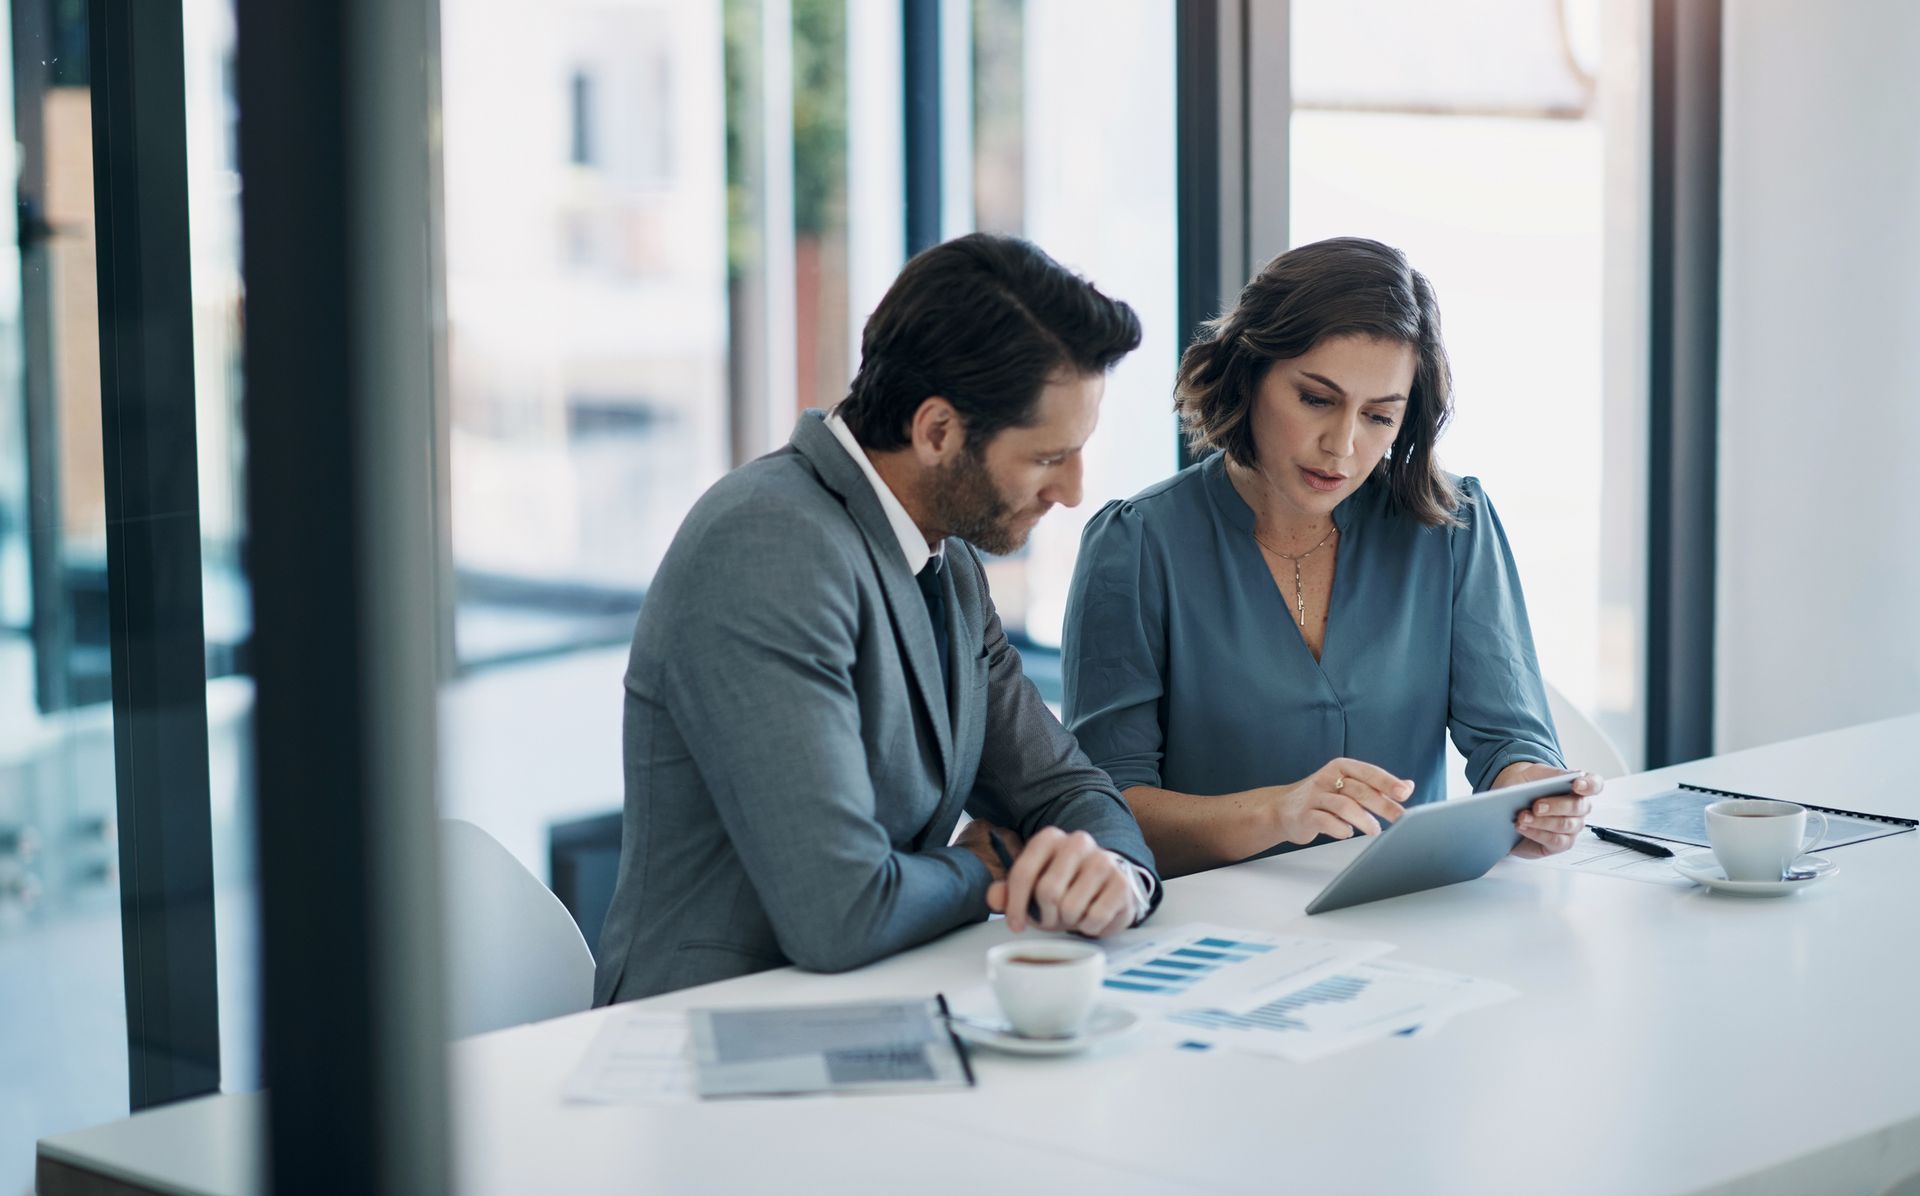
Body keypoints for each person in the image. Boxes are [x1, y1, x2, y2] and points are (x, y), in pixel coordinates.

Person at [594, 234, 1163, 1003]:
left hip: (879, 1011)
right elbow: (842, 910)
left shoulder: (947, 561)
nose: (1073, 491)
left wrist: (1112, 875)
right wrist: (990, 869)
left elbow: (1064, 785)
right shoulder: (766, 544)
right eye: (1046, 458)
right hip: (715, 1038)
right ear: (936, 432)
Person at [1060, 236, 1601, 878]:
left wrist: (1535, 794)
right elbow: (1102, 811)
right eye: (1317, 399)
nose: (1341, 446)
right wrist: (1276, 812)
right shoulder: (1137, 545)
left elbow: (1510, 739)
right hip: (1210, 929)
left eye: (1379, 416)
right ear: (1249, 373)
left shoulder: (1451, 527)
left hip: (1403, 912)